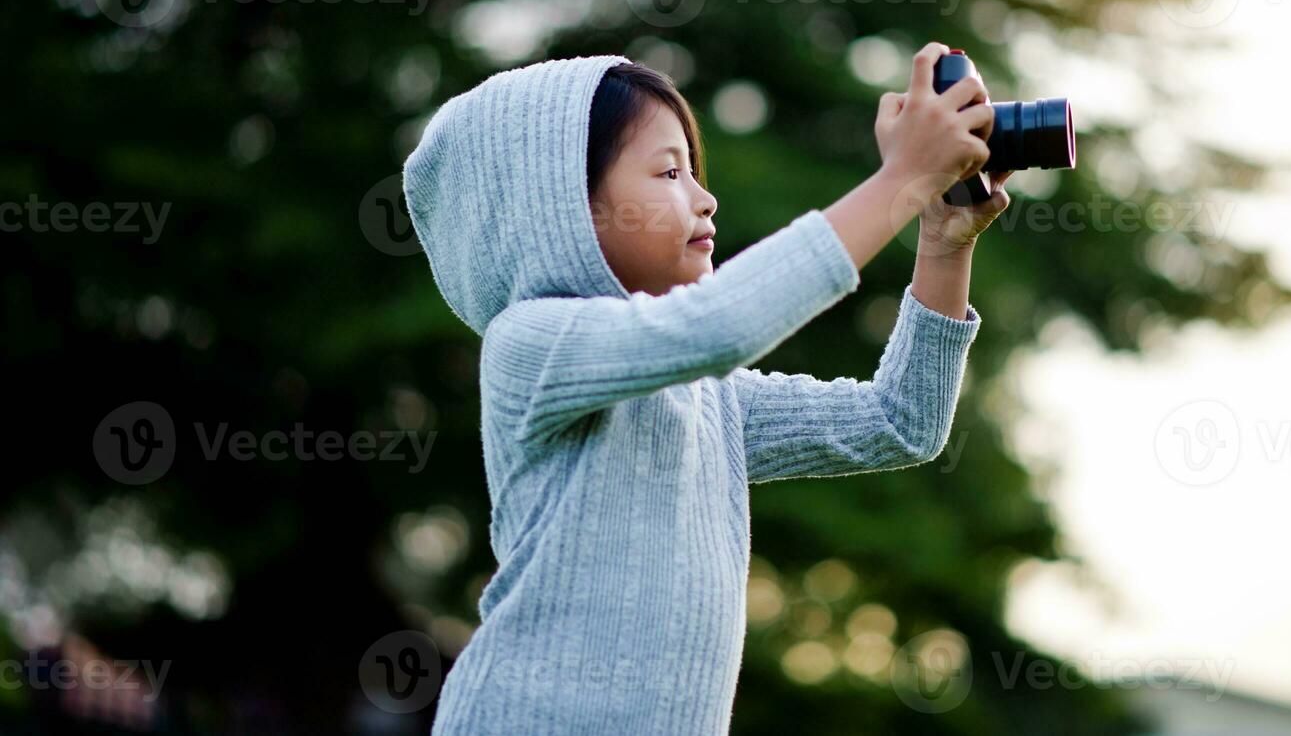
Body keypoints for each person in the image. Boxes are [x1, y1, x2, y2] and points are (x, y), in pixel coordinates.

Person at [402, 41, 1013, 735]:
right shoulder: (531, 345)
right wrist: (901, 179)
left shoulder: (707, 399)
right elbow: (716, 327)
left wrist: (944, 239)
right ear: (560, 206)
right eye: (668, 172)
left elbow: (900, 420)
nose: (704, 198)